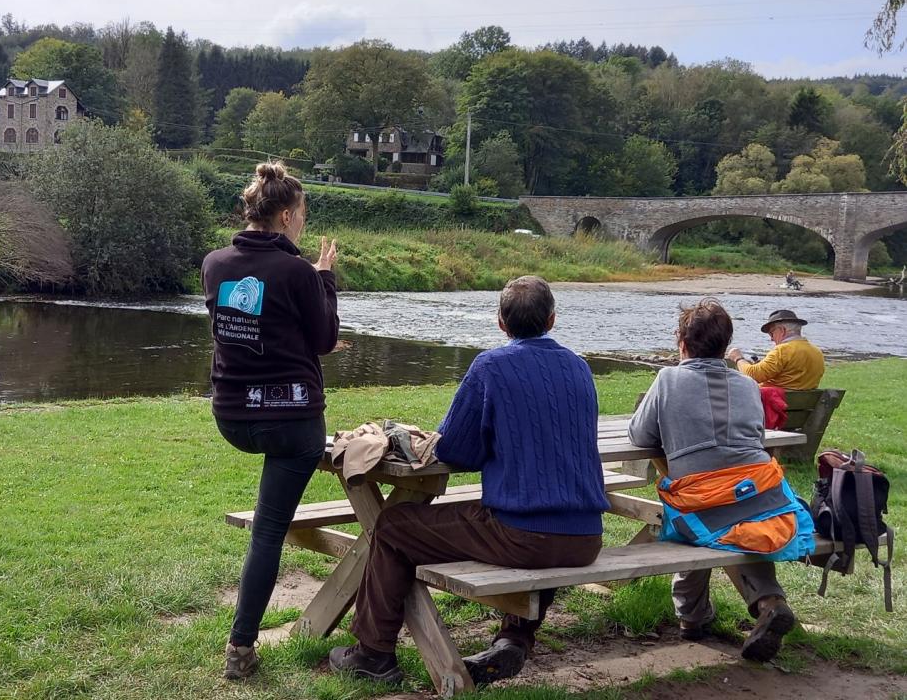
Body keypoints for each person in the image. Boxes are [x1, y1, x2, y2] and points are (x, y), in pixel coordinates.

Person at [328, 276, 609, 685]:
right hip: (586, 537)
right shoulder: (580, 367)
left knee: (392, 526)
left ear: (500, 323)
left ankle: (373, 653)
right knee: (540, 525)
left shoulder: (491, 366)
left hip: (523, 536)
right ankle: (514, 637)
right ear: (552, 320)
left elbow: (455, 450)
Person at [201, 162, 340, 680]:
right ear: (285, 216)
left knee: (268, 527)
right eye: (302, 215)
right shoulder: (299, 271)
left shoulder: (214, 263)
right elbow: (324, 340)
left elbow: (236, 329)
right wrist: (325, 279)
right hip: (292, 422)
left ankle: (242, 648)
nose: (303, 224)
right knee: (269, 531)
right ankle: (239, 649)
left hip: (232, 416)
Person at [629, 298, 814, 663]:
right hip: (765, 495)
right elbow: (756, 436)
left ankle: (693, 617)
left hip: (703, 501)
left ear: (682, 342)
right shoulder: (747, 385)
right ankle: (768, 601)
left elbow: (639, 435)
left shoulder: (669, 379)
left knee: (699, 526)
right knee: (739, 526)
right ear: (724, 345)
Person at [726, 309, 824, 390]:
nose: (771, 339)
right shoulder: (817, 352)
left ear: (782, 330)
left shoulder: (782, 350)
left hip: (772, 407)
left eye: (771, 333)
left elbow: (752, 374)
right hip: (801, 408)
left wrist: (738, 358)